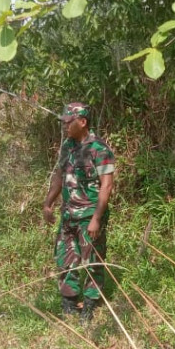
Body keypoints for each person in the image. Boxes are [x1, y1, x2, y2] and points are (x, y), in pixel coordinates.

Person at [43, 102, 116, 322]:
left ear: (82, 122)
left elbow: (107, 186)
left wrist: (96, 219)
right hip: (68, 216)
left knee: (92, 261)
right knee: (65, 259)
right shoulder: (67, 146)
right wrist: (48, 203)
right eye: (63, 122)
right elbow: (59, 176)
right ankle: (69, 303)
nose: (65, 126)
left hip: (88, 217)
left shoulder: (99, 149)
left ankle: (91, 304)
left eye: (68, 122)